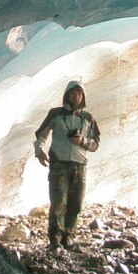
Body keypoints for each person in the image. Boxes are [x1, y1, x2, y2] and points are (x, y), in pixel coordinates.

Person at [33, 81, 101, 250]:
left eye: (79, 94)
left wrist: (83, 141)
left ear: (83, 96)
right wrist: (39, 151)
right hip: (59, 164)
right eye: (73, 93)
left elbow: (95, 143)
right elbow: (41, 134)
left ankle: (68, 236)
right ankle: (55, 239)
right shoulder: (55, 114)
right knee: (58, 202)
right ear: (67, 95)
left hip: (80, 165)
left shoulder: (88, 118)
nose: (76, 97)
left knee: (76, 203)